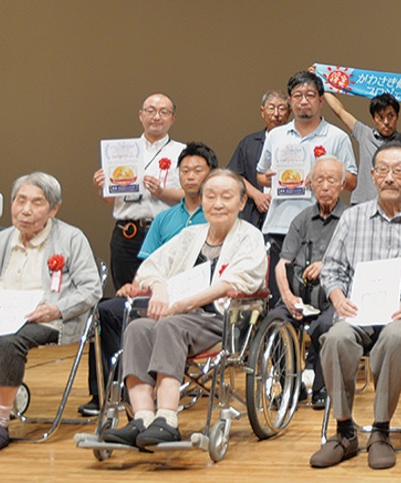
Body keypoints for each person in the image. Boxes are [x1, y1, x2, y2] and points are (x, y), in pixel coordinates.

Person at [100, 170, 267, 450]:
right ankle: (142, 417)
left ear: (241, 203)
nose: (218, 203)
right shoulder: (190, 235)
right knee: (138, 328)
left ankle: (167, 418)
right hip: (179, 315)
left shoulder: (250, 237)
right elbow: (150, 269)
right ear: (202, 201)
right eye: (210, 196)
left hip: (221, 319)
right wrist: (159, 289)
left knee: (169, 325)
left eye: (226, 197)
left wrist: (187, 303)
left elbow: (238, 281)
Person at [0, 173, 102, 456]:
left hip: (50, 318)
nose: (26, 210)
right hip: (0, 315)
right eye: (20, 201)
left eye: (36, 203)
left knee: (11, 342)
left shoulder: (71, 238)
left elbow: (91, 289)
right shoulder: (1, 240)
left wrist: (56, 308)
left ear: (54, 209)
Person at [308, 141, 401, 470]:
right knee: (335, 338)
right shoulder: (353, 218)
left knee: (394, 338)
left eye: (398, 171)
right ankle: (344, 431)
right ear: (372, 175)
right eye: (383, 170)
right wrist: (338, 297)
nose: (390, 177)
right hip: (359, 311)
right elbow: (332, 268)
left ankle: (381, 430)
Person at [81, 142, 217, 416]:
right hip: (159, 292)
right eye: (185, 171)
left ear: (211, 174)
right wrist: (136, 285)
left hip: (200, 300)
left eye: (198, 170)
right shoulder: (163, 218)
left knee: (165, 320)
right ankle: (112, 390)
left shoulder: (217, 216)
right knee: (107, 311)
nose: (191, 176)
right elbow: (149, 263)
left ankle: (158, 394)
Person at [257, 71, 358, 306]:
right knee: (280, 298)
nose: (304, 100)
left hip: (321, 228)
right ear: (290, 101)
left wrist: (321, 176)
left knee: (319, 298)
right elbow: (260, 175)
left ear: (321, 100)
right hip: (279, 225)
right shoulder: (276, 135)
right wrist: (268, 178)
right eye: (298, 95)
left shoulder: (337, 137)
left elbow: (352, 181)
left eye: (310, 95)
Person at [269, 156, 350, 409]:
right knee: (274, 320)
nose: (325, 186)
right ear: (311, 184)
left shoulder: (351, 219)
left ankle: (322, 387)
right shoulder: (301, 220)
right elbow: (282, 264)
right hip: (300, 295)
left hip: (334, 298)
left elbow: (359, 262)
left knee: (327, 324)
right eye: (319, 180)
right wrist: (288, 297)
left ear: (342, 185)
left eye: (331, 180)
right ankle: (290, 386)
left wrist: (327, 265)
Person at [91, 93, 185, 289]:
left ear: (173, 118)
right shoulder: (121, 150)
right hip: (128, 234)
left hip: (166, 234)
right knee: (126, 293)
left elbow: (193, 196)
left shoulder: (182, 152)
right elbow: (110, 200)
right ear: (141, 115)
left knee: (165, 292)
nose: (156, 117)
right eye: (150, 111)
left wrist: (162, 192)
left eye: (164, 112)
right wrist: (103, 187)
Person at [322, 87, 401, 205]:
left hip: (392, 205)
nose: (386, 122)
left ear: (397, 117)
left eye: (390, 116)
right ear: (374, 118)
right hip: (362, 203)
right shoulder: (364, 133)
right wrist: (323, 83)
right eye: (380, 117)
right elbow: (339, 111)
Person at [227, 90, 291, 228]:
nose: (276, 114)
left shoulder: (296, 143)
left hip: (286, 213)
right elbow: (233, 175)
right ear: (262, 111)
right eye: (271, 108)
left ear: (289, 112)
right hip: (253, 214)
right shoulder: (249, 143)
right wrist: (257, 195)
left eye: (281, 109)